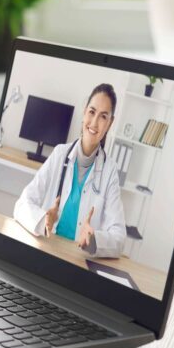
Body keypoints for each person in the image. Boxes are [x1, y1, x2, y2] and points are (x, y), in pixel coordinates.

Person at [13, 84, 127, 258]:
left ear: (110, 123)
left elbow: (119, 237)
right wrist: (44, 220)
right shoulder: (60, 154)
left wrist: (94, 239)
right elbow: (22, 205)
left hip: (78, 259)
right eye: (92, 112)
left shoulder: (109, 170)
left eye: (103, 117)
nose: (95, 122)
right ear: (84, 112)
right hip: (46, 249)